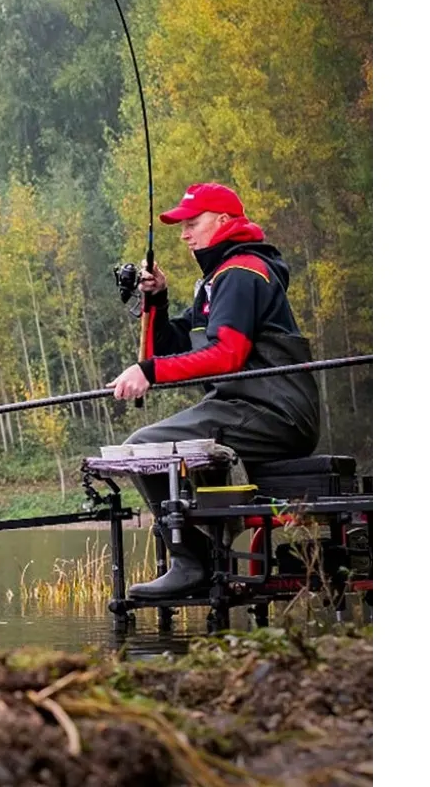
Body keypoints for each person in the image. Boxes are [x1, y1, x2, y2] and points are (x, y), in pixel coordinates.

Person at [108, 182, 320, 598]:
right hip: (243, 407)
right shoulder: (217, 281)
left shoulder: (242, 272)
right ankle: (202, 557)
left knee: (145, 448)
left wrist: (148, 371)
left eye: (193, 223)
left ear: (224, 221)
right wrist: (158, 301)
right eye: (181, 226)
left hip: (272, 411)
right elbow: (171, 346)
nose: (185, 234)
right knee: (148, 447)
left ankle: (193, 564)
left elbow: (227, 355)